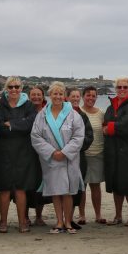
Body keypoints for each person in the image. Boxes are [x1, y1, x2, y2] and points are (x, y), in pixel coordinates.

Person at [31, 82, 85, 234]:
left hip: (68, 158)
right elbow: (35, 136)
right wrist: (52, 152)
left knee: (67, 191)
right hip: (51, 158)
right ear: (50, 95)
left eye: (60, 94)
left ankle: (68, 221)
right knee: (56, 190)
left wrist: (65, 152)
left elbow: (79, 136)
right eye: (55, 94)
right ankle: (59, 221)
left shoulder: (74, 115)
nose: (58, 96)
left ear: (65, 96)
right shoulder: (42, 115)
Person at [0, 76, 40, 233]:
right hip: (4, 152)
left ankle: (22, 223)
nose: (14, 89)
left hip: (24, 152)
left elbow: (31, 123)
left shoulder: (28, 105)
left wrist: (11, 124)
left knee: (20, 189)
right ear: (6, 88)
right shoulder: (1, 105)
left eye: (17, 87)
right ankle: (3, 223)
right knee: (5, 189)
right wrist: (19, 124)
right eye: (11, 87)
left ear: (21, 88)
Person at [103, 76, 128, 226]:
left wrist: (110, 128)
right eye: (119, 87)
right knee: (116, 184)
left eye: (125, 87)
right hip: (113, 151)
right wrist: (107, 127)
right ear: (115, 89)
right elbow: (105, 122)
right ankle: (118, 215)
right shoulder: (110, 107)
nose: (121, 90)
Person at [80, 86, 107, 224]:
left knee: (95, 185)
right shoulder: (77, 112)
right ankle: (82, 215)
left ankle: (98, 215)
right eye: (88, 95)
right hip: (82, 154)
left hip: (98, 152)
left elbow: (105, 130)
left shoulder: (101, 113)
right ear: (82, 96)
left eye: (93, 96)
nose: (91, 98)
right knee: (82, 186)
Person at [68, 87, 93, 228]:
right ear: (67, 97)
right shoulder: (60, 114)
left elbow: (89, 136)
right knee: (63, 186)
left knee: (77, 187)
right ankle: (63, 219)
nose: (76, 99)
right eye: (73, 96)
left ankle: (70, 219)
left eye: (78, 97)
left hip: (78, 156)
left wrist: (74, 147)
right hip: (61, 155)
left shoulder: (83, 116)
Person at [26, 84, 48, 228]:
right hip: (26, 151)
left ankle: (39, 216)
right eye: (33, 94)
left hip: (43, 152)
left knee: (41, 183)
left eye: (38, 94)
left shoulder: (48, 111)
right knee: (26, 184)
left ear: (43, 96)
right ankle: (25, 216)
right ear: (29, 97)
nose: (36, 97)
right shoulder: (24, 110)